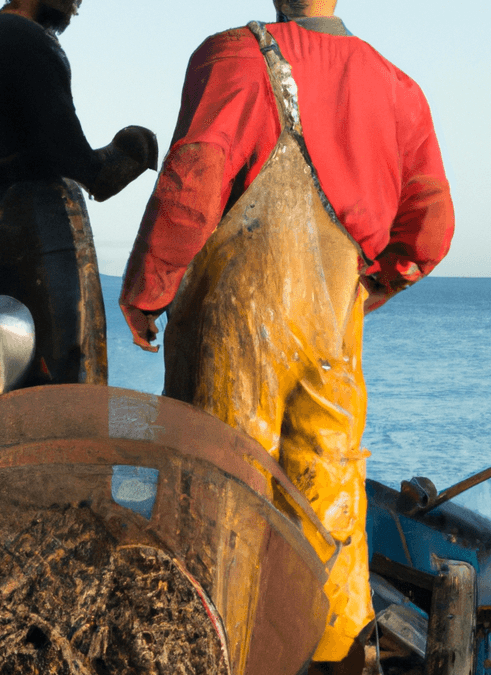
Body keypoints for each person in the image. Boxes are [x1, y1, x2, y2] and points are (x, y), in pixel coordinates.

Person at [119, 1, 454, 672]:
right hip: (334, 332)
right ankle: (335, 658)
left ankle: (224, 653)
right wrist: (369, 288)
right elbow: (431, 228)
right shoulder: (397, 89)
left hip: (237, 332)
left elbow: (192, 184)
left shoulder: (235, 57)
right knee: (326, 495)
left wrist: (147, 289)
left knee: (224, 494)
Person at [0, 0, 158, 389]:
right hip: (42, 222)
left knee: (23, 378)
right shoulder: (28, 40)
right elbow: (77, 161)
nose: (78, 2)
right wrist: (131, 153)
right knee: (73, 377)